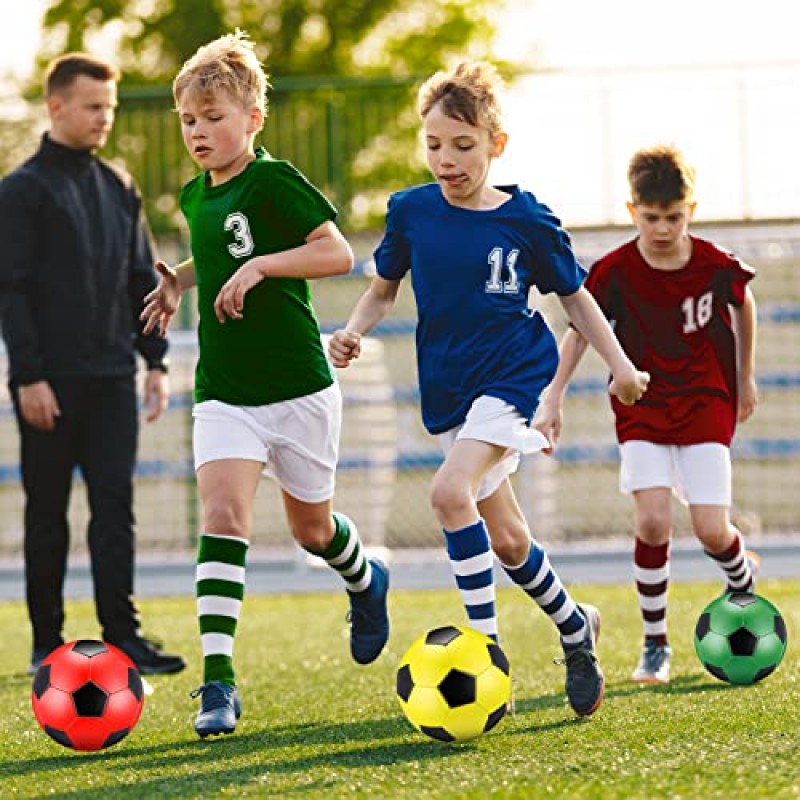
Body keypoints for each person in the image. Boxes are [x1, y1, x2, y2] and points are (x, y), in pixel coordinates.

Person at [328, 61, 649, 718]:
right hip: (449, 386)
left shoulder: (528, 219)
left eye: (463, 145)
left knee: (448, 493)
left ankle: (487, 653)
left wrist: (620, 365)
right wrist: (355, 329)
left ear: (495, 145)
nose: (446, 160)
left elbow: (577, 301)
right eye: (435, 145)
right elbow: (382, 290)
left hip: (513, 375)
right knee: (506, 538)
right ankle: (574, 625)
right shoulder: (411, 212)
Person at [139, 31, 390, 738]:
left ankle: (366, 580)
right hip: (224, 392)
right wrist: (178, 281)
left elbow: (337, 253)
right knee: (223, 519)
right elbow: (221, 252)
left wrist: (262, 269)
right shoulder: (194, 195)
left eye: (213, 116)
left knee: (313, 531)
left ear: (252, 119)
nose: (199, 131)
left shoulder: (274, 180)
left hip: (299, 388)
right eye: (189, 120)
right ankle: (218, 683)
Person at [535, 145, 759, 685]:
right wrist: (553, 395)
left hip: (706, 399)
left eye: (674, 217)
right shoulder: (614, 271)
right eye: (652, 217)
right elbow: (580, 329)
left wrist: (744, 376)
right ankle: (655, 643)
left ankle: (740, 574)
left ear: (691, 210)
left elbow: (742, 303)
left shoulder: (711, 263)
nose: (663, 228)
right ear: (632, 209)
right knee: (653, 520)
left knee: (710, 530)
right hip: (641, 405)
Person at [0, 53, 185, 676]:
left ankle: (122, 637)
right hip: (48, 385)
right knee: (47, 515)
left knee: (115, 510)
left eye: (109, 107)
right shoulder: (20, 192)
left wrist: (154, 362)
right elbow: (12, 289)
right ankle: (45, 644)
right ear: (56, 107)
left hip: (112, 380)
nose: (104, 118)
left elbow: (142, 280)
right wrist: (27, 375)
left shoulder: (120, 186)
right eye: (92, 107)